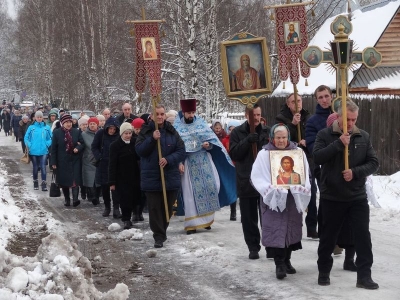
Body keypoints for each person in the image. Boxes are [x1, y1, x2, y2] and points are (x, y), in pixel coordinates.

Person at [313, 100, 379, 289]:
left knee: (363, 237)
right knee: (328, 236)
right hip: (332, 196)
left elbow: (374, 162)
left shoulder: (363, 137)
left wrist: (356, 172)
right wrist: (338, 144)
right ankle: (324, 271)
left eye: (354, 119)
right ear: (339, 117)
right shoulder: (325, 135)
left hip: (357, 196)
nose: (350, 123)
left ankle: (364, 275)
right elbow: (317, 157)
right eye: (347, 119)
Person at [251, 124, 311, 279]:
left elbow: (304, 173)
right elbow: (257, 176)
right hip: (274, 201)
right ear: (272, 138)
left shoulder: (297, 153)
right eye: (278, 137)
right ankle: (279, 264)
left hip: (291, 199)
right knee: (277, 231)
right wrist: (272, 189)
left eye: (284, 137)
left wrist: (300, 187)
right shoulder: (264, 154)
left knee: (290, 230)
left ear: (288, 137)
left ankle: (287, 260)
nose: (281, 140)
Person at [174, 99, 237, 235]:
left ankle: (207, 220)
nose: (191, 115)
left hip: (204, 160)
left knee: (210, 187)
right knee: (190, 193)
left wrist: (209, 145)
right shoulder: (177, 127)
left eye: (192, 112)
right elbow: (177, 147)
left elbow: (212, 140)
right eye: (188, 112)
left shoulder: (201, 123)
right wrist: (179, 163)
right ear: (183, 112)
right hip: (189, 163)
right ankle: (191, 224)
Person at [136, 105, 185, 248]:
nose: (160, 116)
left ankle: (162, 230)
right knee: (155, 208)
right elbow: (140, 150)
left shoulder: (171, 131)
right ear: (152, 116)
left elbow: (181, 150)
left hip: (170, 176)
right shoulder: (146, 131)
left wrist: (169, 159)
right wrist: (152, 138)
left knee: (167, 207)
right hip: (151, 177)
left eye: (162, 114)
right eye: (157, 114)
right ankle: (158, 235)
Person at [230, 103, 270, 259]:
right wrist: (247, 141)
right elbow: (234, 154)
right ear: (247, 115)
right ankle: (253, 246)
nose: (256, 118)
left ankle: (271, 245)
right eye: (253, 115)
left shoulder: (267, 131)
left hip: (265, 181)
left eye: (259, 115)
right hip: (246, 180)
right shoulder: (238, 132)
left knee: (268, 216)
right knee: (248, 217)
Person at [305, 85, 333, 239]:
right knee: (325, 197)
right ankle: (322, 230)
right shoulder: (313, 121)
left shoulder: (341, 115)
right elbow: (312, 146)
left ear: (331, 97)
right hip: (321, 166)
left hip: (342, 166)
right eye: (320, 97)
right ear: (316, 100)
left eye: (326, 96)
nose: (324, 100)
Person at [109, 122, 141, 230]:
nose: (128, 135)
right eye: (126, 133)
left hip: (135, 175)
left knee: (135, 197)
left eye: (130, 133)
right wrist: (112, 182)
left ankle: (135, 214)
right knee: (124, 199)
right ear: (121, 134)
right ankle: (126, 219)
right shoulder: (115, 146)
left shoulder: (135, 142)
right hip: (121, 177)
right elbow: (112, 164)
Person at [51, 114, 84, 207]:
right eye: (66, 122)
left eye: (70, 122)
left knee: (75, 180)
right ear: (62, 123)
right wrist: (53, 162)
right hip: (62, 160)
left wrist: (78, 147)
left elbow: (82, 143)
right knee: (64, 181)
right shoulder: (57, 133)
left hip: (75, 159)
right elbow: (53, 149)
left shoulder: (76, 132)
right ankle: (67, 199)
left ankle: (75, 199)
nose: (69, 124)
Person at [92, 117, 121, 218]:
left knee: (115, 187)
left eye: (114, 129)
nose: (112, 131)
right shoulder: (101, 134)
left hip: (116, 165)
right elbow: (94, 146)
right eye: (110, 128)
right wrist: (99, 157)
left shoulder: (118, 136)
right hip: (103, 164)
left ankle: (116, 208)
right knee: (105, 187)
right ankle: (107, 207)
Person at [24, 111, 52, 191]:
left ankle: (44, 183)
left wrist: (47, 144)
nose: (39, 118)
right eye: (38, 117)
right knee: (35, 167)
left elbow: (51, 138)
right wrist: (30, 145)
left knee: (43, 167)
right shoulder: (31, 127)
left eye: (40, 117)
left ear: (42, 118)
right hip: (33, 151)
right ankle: (35, 181)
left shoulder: (46, 128)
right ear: (35, 118)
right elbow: (26, 138)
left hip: (44, 151)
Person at [221, 119, 241, 221]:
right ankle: (233, 212)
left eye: (235, 129)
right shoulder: (225, 140)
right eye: (230, 129)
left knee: (241, 190)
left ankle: (243, 213)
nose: (232, 131)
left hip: (240, 166)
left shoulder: (241, 138)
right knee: (233, 189)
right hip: (230, 167)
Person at [81, 117, 101, 205]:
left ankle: (97, 196)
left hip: (98, 158)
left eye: (94, 124)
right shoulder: (83, 134)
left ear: (97, 125)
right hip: (88, 159)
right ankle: (92, 196)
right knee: (89, 178)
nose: (92, 125)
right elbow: (81, 144)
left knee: (98, 178)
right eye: (91, 124)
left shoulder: (101, 133)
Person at [131, 117, 146, 222]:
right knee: (134, 191)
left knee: (143, 191)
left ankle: (140, 211)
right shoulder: (131, 138)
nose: (138, 131)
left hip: (144, 166)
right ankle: (134, 212)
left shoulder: (146, 137)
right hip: (133, 166)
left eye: (139, 128)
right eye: (136, 129)